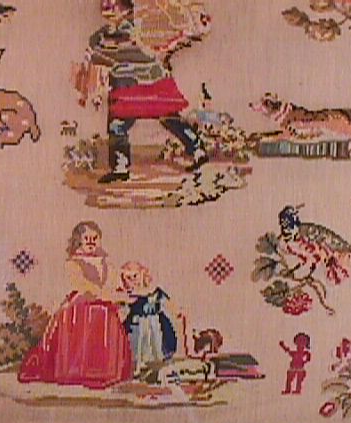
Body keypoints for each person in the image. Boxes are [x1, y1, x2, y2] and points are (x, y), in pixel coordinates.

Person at [79, 0, 210, 183]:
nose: (106, 4)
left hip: (145, 83)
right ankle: (121, 167)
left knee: (164, 119)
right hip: (131, 85)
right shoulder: (104, 35)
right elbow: (96, 55)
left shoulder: (141, 27)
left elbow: (169, 39)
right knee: (122, 124)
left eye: (112, 2)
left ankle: (197, 150)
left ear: (125, 6)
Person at [18, 221, 133, 389]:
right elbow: (84, 287)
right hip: (81, 304)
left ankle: (103, 370)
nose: (91, 242)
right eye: (87, 238)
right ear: (79, 240)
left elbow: (113, 281)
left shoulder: (105, 263)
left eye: (95, 238)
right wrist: (108, 296)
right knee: (84, 321)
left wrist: (119, 291)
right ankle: (77, 370)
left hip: (104, 304)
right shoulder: (74, 263)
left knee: (108, 320)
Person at [118, 261, 184, 377]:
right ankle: (138, 369)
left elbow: (167, 303)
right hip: (136, 325)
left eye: (135, 276)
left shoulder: (154, 292)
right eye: (128, 278)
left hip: (155, 324)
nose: (133, 280)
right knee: (136, 348)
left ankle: (158, 369)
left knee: (157, 346)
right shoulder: (129, 296)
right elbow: (122, 309)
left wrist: (177, 311)